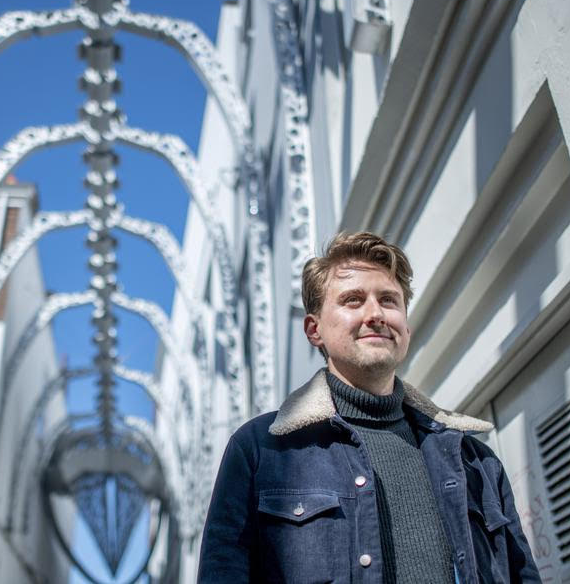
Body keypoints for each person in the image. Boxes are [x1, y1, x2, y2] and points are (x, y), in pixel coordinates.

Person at [197, 231, 539, 583]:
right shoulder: (260, 450)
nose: (375, 314)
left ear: (405, 325)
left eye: (389, 300)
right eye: (353, 300)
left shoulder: (476, 461)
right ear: (314, 330)